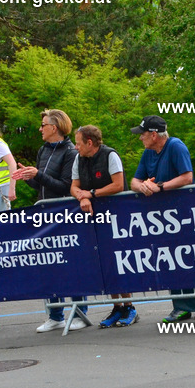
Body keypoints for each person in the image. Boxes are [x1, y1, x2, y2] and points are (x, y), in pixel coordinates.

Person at [130, 115, 195, 323]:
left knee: (193, 258)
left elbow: (187, 177)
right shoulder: (148, 153)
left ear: (154, 135)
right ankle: (181, 306)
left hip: (186, 214)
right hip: (164, 219)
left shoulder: (176, 146)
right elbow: (134, 181)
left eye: (142, 134)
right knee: (172, 260)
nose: (140, 138)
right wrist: (142, 186)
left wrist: (160, 187)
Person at [12, 109, 84, 332]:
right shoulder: (43, 149)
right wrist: (28, 177)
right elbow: (41, 185)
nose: (40, 129)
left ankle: (80, 313)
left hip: (64, 214)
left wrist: (38, 175)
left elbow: (65, 186)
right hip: (44, 214)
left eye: (43, 125)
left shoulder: (71, 152)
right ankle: (55, 315)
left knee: (71, 264)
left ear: (54, 127)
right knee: (50, 264)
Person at [70, 125, 137, 328]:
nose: (76, 147)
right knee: (104, 261)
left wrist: (91, 193)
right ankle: (117, 307)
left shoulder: (110, 155)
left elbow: (118, 184)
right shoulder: (79, 158)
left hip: (116, 215)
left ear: (89, 142)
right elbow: (74, 186)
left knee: (118, 261)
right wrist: (82, 197)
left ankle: (130, 307)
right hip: (94, 217)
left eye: (78, 143)